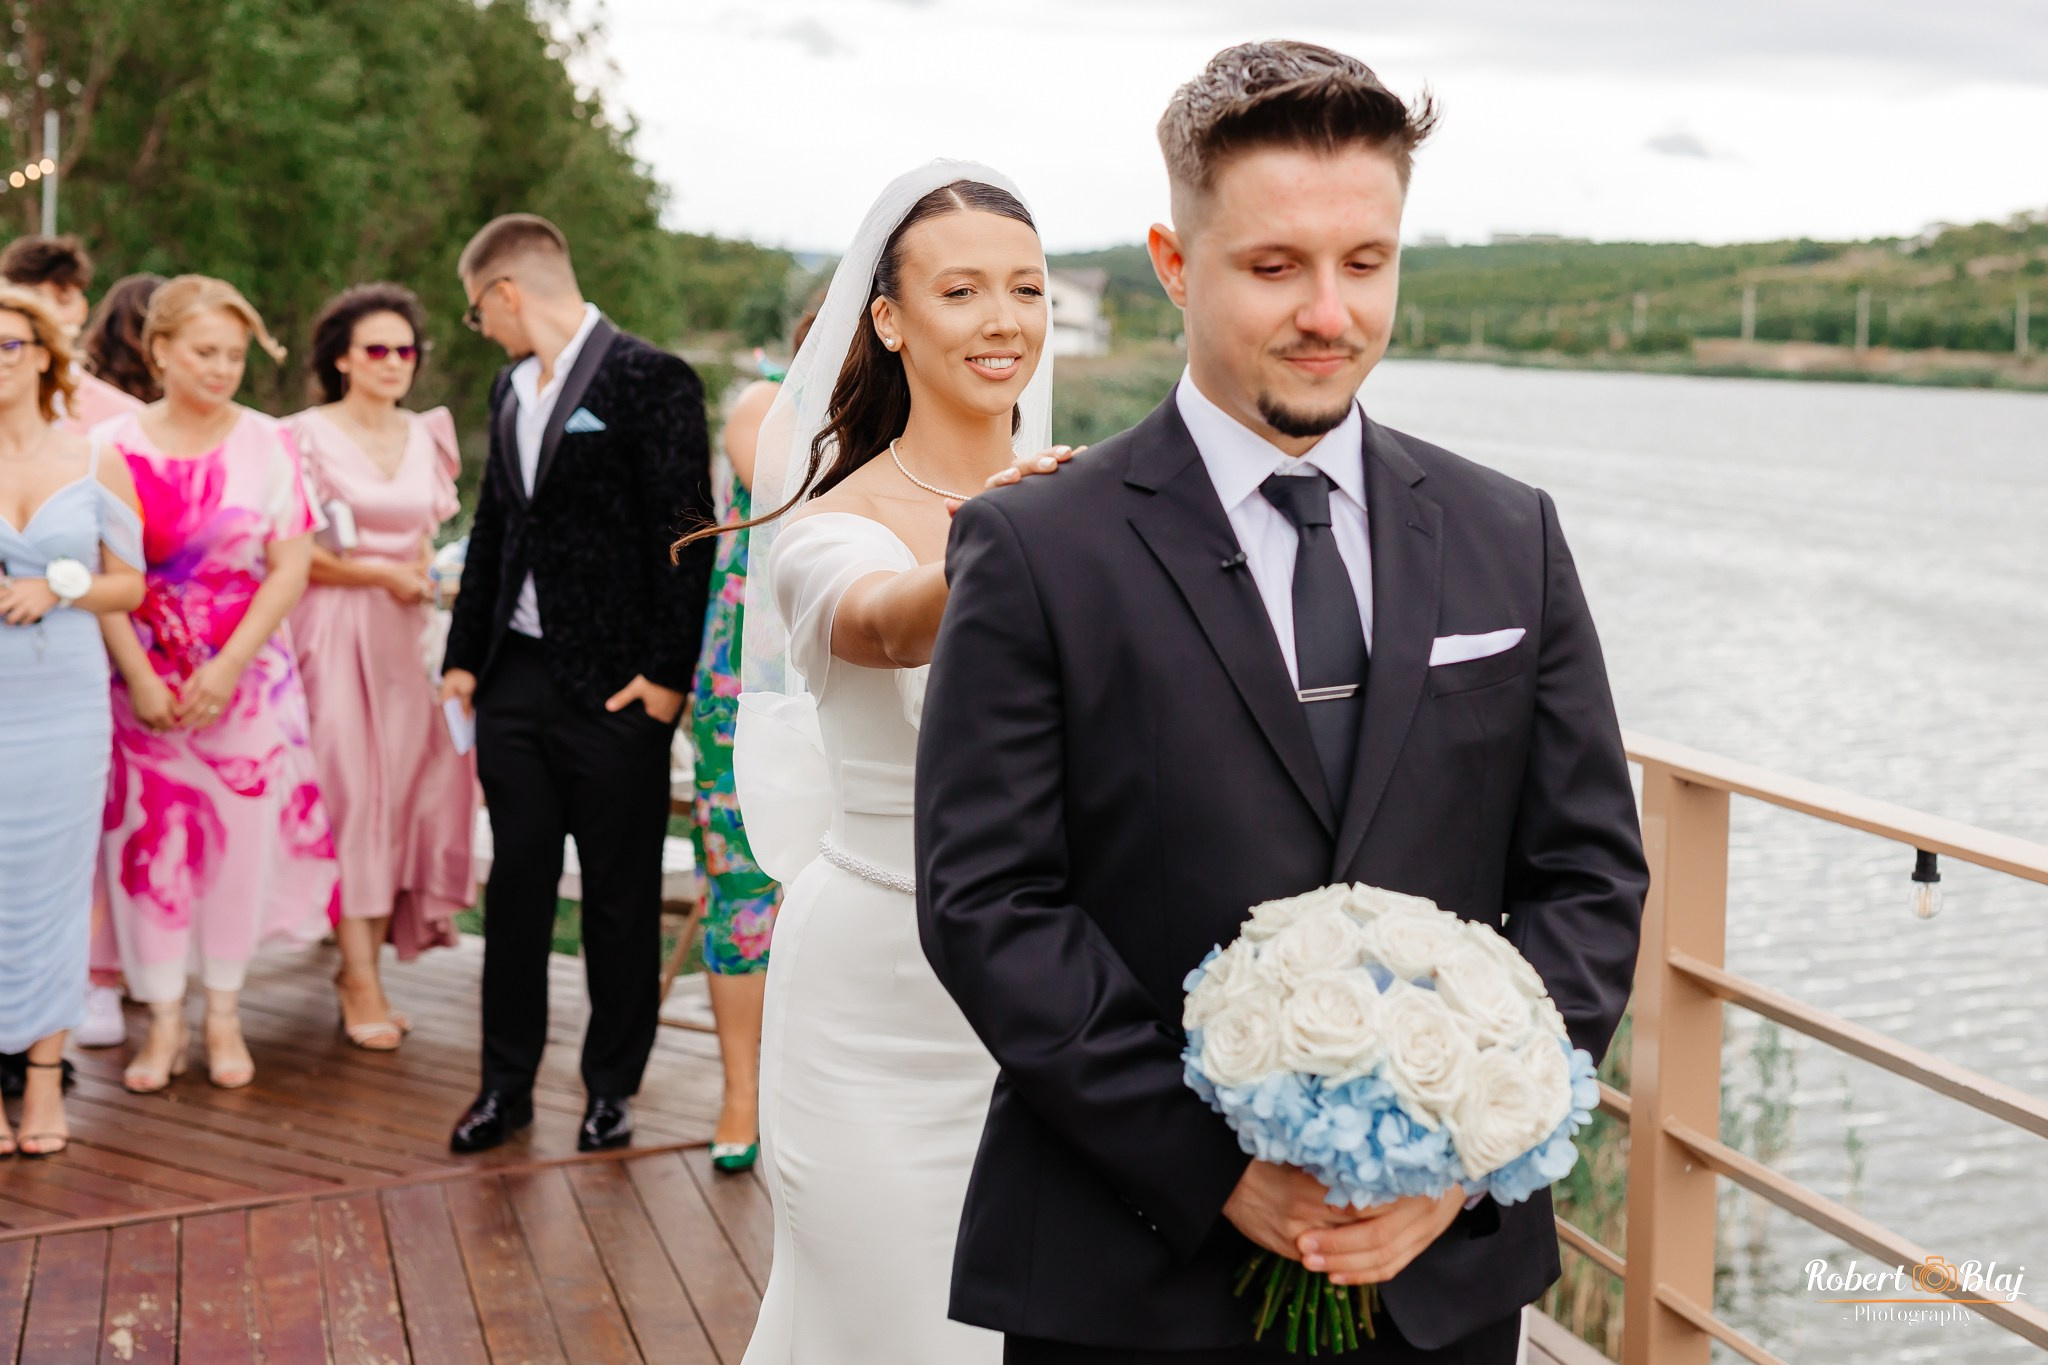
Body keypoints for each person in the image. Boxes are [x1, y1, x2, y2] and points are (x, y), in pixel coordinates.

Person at [917, 43, 1650, 1365]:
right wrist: (1217, 1170)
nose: (1330, 311)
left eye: (1366, 262)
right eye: (1275, 267)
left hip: (1443, 1285)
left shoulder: (1509, 534)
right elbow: (990, 902)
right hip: (1132, 1274)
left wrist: (1467, 1148)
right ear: (1174, 261)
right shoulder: (1037, 551)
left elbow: (1589, 870)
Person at [720, 161, 1077, 1365]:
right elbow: (879, 621)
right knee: (888, 1327)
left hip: (1055, 1003)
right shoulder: (827, 521)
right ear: (887, 318)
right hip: (875, 999)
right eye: (962, 290)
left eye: (1024, 290)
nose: (1001, 321)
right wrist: (1003, 537)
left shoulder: (1085, 500)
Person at [439, 214, 715, 1155]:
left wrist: (665, 681)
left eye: (479, 311)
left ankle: (610, 1087)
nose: (483, 328)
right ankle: (502, 1086)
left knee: (619, 896)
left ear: (506, 292)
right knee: (515, 884)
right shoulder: (507, 388)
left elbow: (689, 528)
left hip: (619, 693)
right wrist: (464, 660)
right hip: (514, 684)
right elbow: (493, 526)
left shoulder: (653, 377)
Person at [98, 275, 338, 1094]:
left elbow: (290, 566)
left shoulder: (271, 442)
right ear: (158, 350)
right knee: (149, 848)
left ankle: (224, 1012)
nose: (222, 368)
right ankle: (162, 1016)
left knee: (237, 848)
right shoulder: (117, 446)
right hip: (142, 681)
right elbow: (108, 575)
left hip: (249, 679)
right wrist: (139, 676)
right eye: (205, 351)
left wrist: (230, 664)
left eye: (235, 355)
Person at [287, 283, 477, 1051]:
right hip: (332, 629)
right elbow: (293, 556)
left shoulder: (428, 434)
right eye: (378, 349)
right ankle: (357, 975)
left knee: (399, 794)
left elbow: (426, 543)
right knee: (348, 793)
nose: (396, 362)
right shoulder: (298, 435)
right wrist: (378, 577)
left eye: (407, 350)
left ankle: (361, 951)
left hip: (411, 636)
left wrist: (429, 584)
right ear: (341, 358)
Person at [0, 288, 144, 1157]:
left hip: (63, 707)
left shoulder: (93, 460)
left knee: (56, 891)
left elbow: (129, 584)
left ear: (44, 355)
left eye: (9, 345)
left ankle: (45, 1079)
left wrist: (57, 585)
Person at [685, 313, 814, 1174]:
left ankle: (815, 1094)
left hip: (860, 682)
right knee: (740, 888)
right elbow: (782, 486)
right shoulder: (763, 407)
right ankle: (741, 1090)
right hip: (745, 691)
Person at [0, 236, 143, 431]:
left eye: (62, 300)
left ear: (82, 310)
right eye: (32, 299)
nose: (47, 312)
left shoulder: (125, 419)